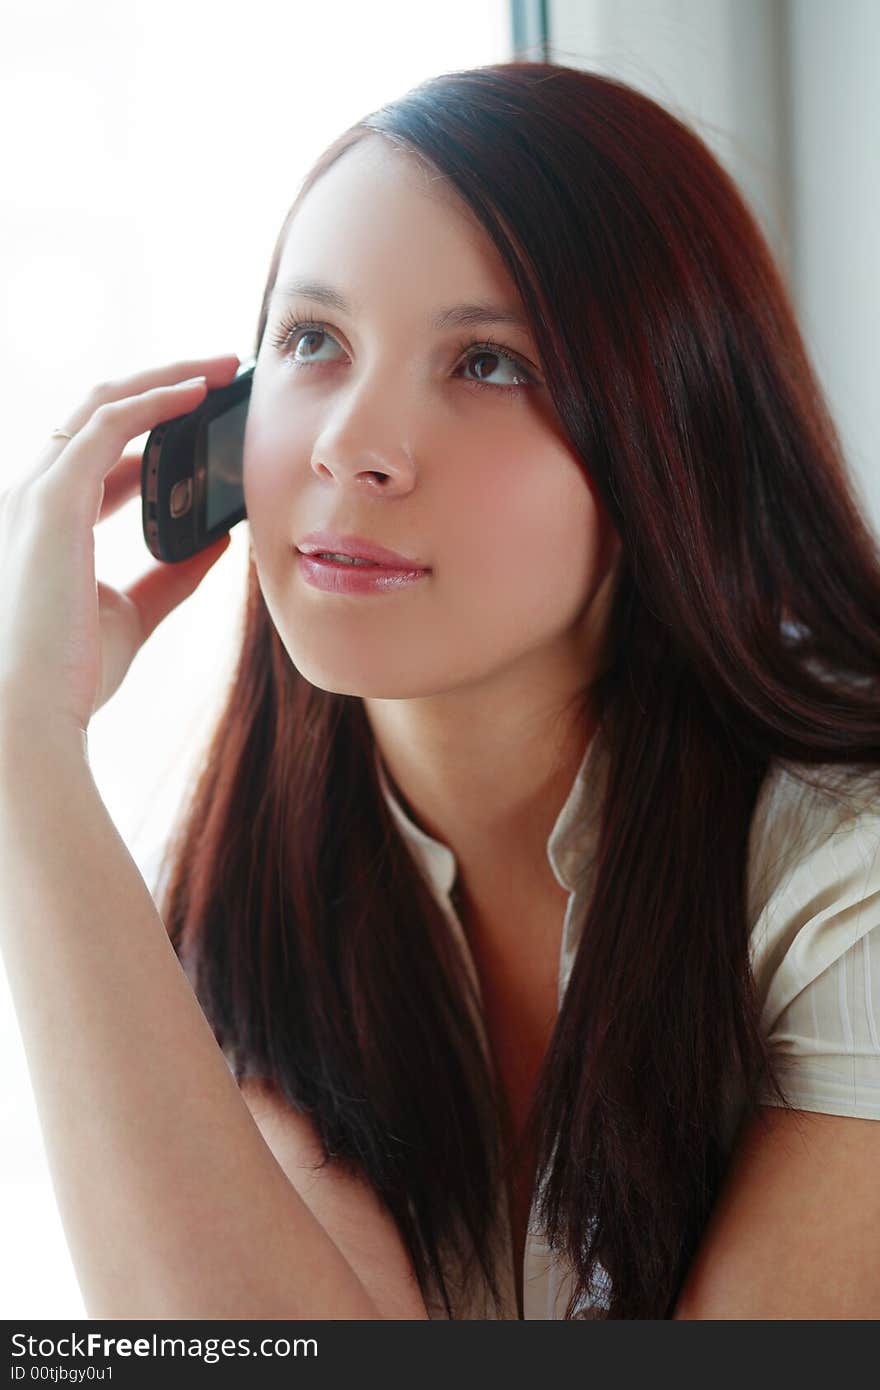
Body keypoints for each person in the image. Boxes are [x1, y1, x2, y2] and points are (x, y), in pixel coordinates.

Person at [2, 61, 879, 1322]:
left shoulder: (842, 873)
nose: (351, 443)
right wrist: (25, 752)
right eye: (313, 340)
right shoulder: (254, 889)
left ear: (671, 435)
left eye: (486, 362)